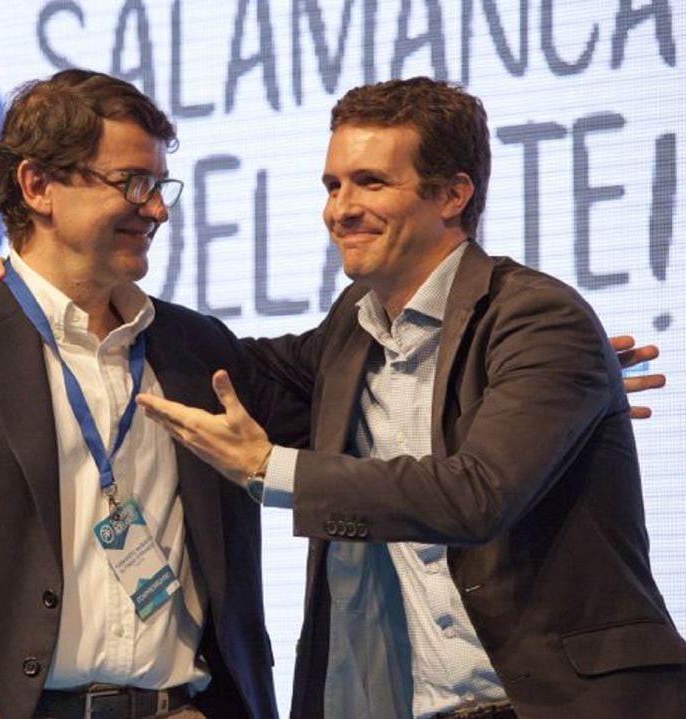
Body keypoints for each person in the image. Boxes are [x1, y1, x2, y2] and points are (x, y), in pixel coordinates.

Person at [136, 77, 686, 718]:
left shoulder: (537, 316)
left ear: (453, 194)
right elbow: (227, 365)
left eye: (370, 183)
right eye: (333, 185)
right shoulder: (352, 328)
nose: (340, 209)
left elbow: (475, 496)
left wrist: (268, 467)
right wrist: (21, 294)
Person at [0, 69, 306, 719]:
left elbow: (335, 367)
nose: (157, 209)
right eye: (133, 182)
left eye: (160, 186)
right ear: (38, 185)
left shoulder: (197, 348)